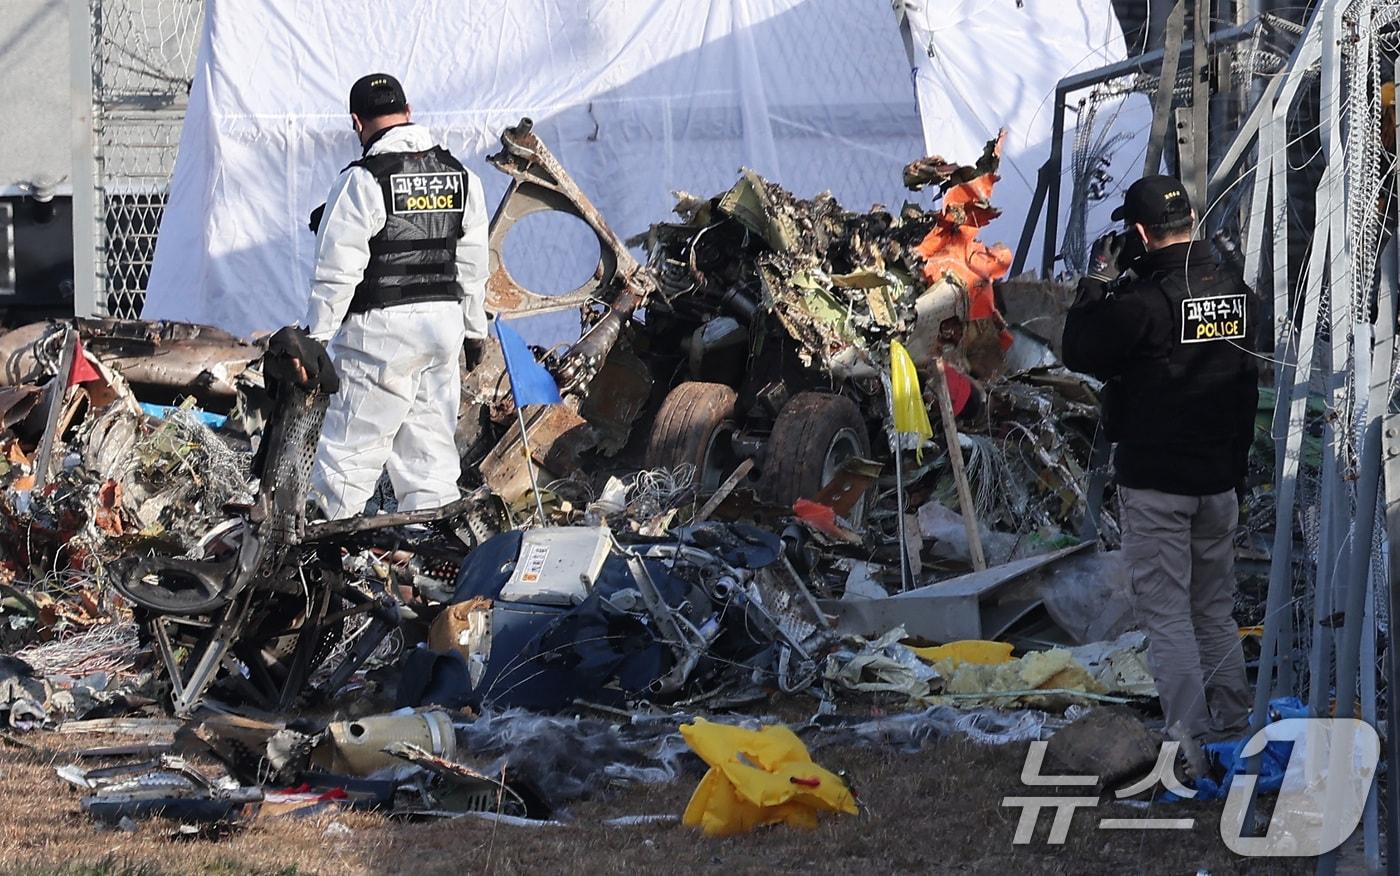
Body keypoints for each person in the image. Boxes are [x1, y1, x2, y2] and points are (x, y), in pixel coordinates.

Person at [1062, 175, 1258, 741]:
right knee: (1213, 611)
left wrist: (1098, 280)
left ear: (1141, 234)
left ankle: (1190, 740)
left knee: (1169, 616)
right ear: (1192, 223)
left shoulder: (1141, 304)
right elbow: (1247, 380)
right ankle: (1233, 722)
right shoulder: (1235, 292)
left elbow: (1078, 348)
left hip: (1158, 489)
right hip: (1219, 481)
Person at [301, 73, 489, 520]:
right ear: (408, 112)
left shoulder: (363, 181)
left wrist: (315, 340)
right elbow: (474, 265)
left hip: (379, 336)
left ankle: (321, 571)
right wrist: (474, 331)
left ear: (356, 122)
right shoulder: (461, 177)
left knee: (346, 461)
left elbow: (336, 274)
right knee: (431, 463)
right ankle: (435, 567)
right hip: (440, 332)